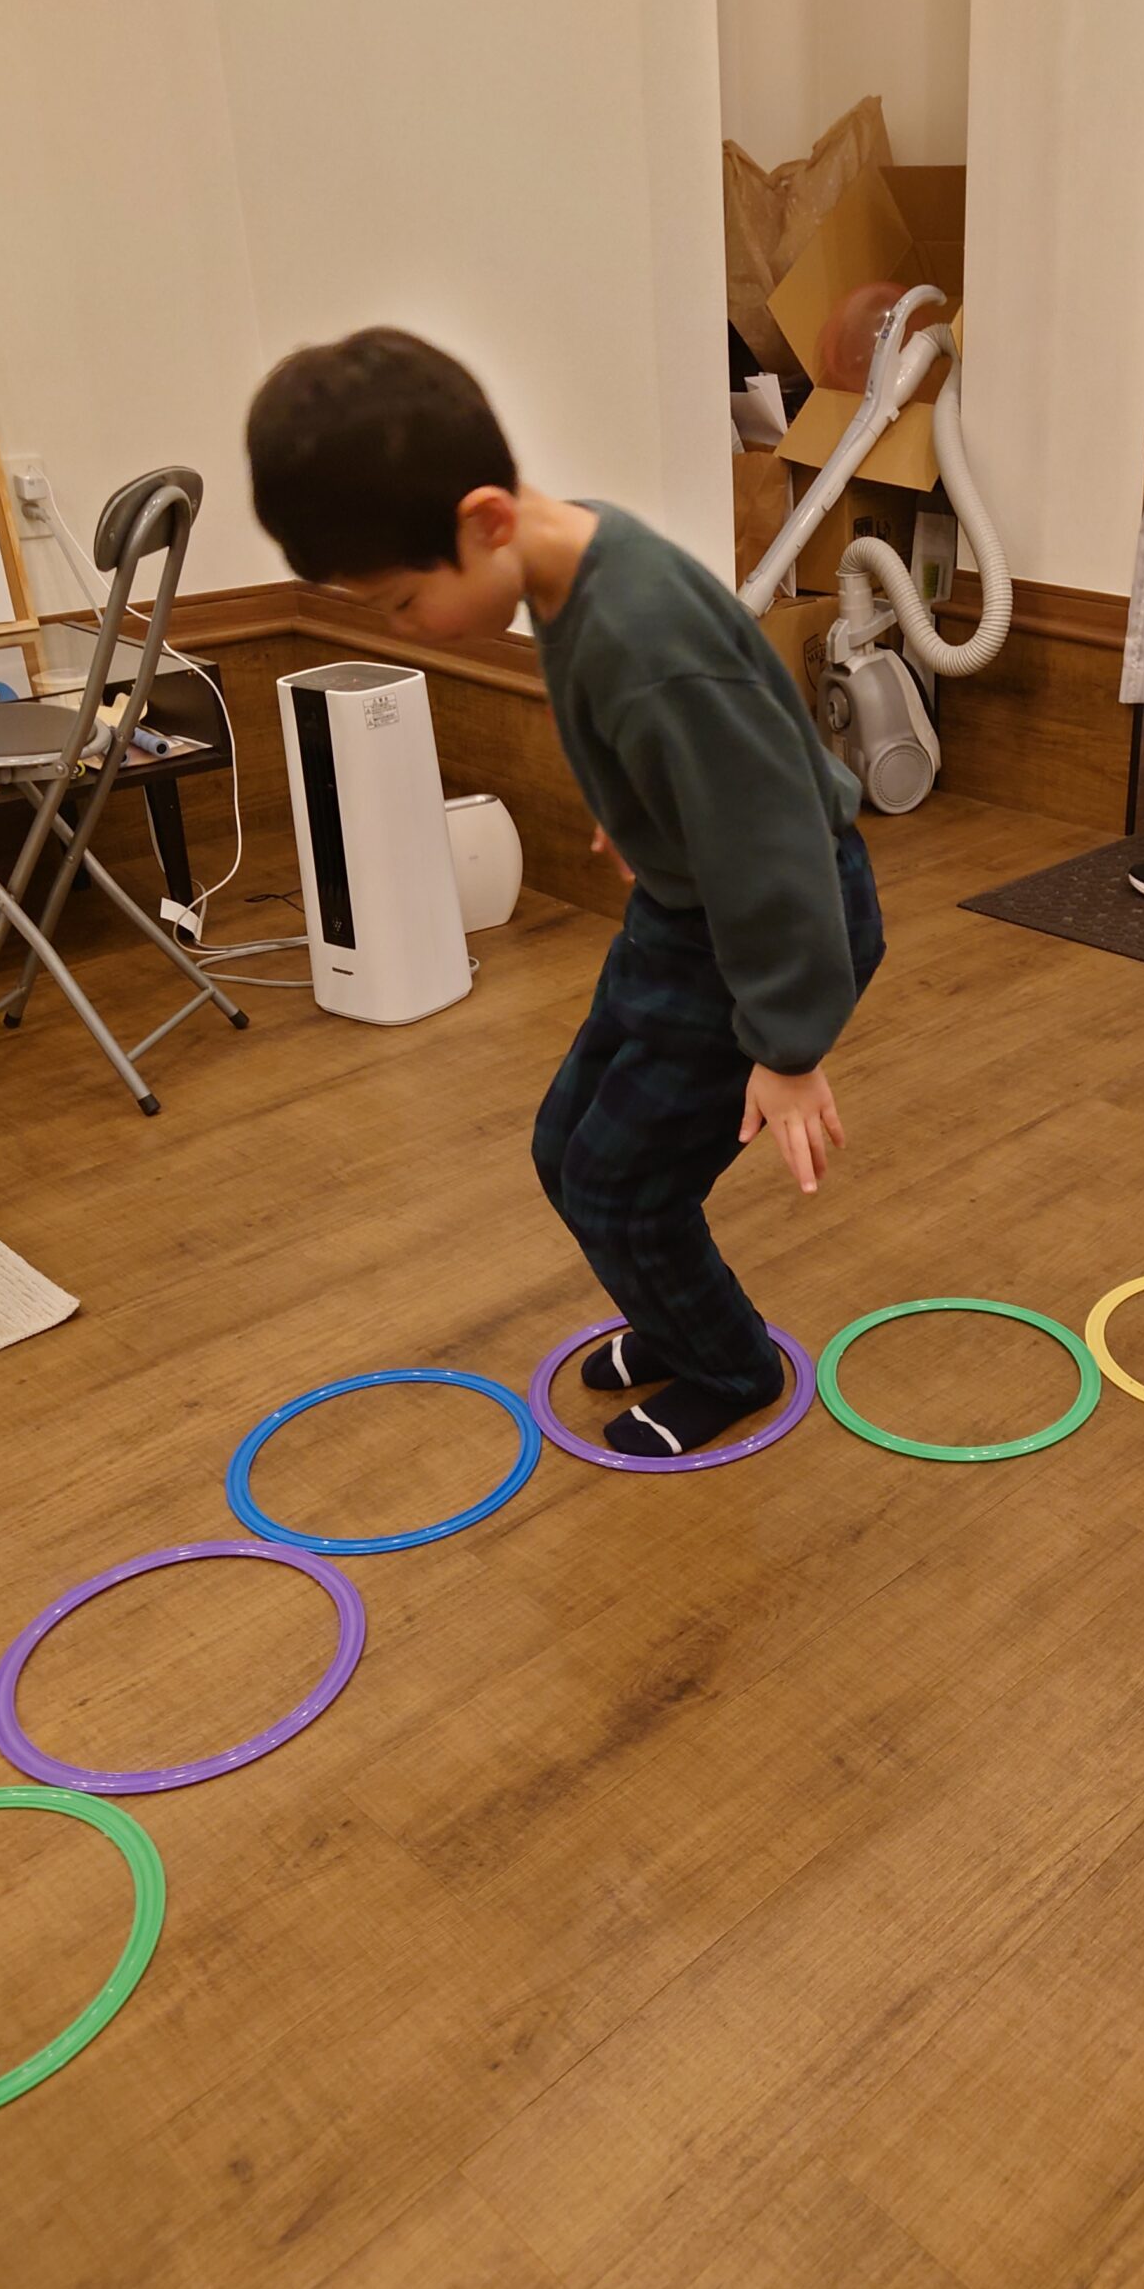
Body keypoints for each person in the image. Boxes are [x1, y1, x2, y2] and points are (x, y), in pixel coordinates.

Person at [246, 327, 883, 1459]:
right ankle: (675, 1320)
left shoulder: (643, 636)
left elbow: (773, 839)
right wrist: (638, 805)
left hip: (769, 931)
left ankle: (730, 1364)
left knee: (622, 1188)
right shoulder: (566, 554)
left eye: (400, 602)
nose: (400, 628)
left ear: (487, 520)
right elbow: (697, 749)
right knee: (563, 1149)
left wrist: (786, 1050)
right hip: (689, 911)